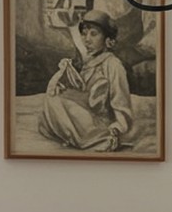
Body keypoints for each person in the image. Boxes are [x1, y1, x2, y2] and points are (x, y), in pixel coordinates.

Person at [38, 12, 133, 152]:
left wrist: (118, 127)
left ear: (108, 40)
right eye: (84, 34)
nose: (87, 40)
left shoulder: (113, 65)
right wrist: (63, 85)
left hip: (100, 122)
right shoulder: (88, 62)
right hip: (84, 115)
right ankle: (73, 133)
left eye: (94, 34)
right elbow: (82, 91)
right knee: (54, 97)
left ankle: (98, 138)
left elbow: (121, 102)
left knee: (58, 104)